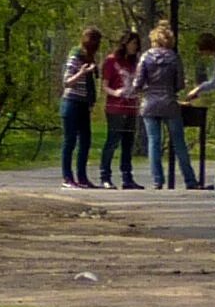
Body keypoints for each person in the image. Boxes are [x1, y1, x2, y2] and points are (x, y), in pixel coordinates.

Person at [134, 22, 188, 190]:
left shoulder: (145, 57)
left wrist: (145, 89)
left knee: (154, 142)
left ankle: (158, 180)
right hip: (169, 102)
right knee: (179, 142)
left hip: (149, 103)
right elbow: (180, 84)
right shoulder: (174, 57)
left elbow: (137, 83)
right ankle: (189, 178)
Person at [58, 28, 103, 189]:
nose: (96, 45)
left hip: (84, 104)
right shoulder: (75, 56)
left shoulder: (90, 57)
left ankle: (82, 177)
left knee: (85, 140)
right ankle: (67, 177)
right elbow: (67, 82)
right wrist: (82, 73)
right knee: (70, 140)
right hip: (71, 102)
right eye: (93, 42)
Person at [99, 29, 143, 189]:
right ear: (124, 43)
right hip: (115, 107)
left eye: (137, 44)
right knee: (112, 141)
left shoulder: (135, 63)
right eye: (132, 43)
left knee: (128, 143)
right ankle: (105, 175)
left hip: (131, 106)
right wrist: (115, 92)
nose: (134, 47)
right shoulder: (111, 61)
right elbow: (104, 85)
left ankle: (127, 177)